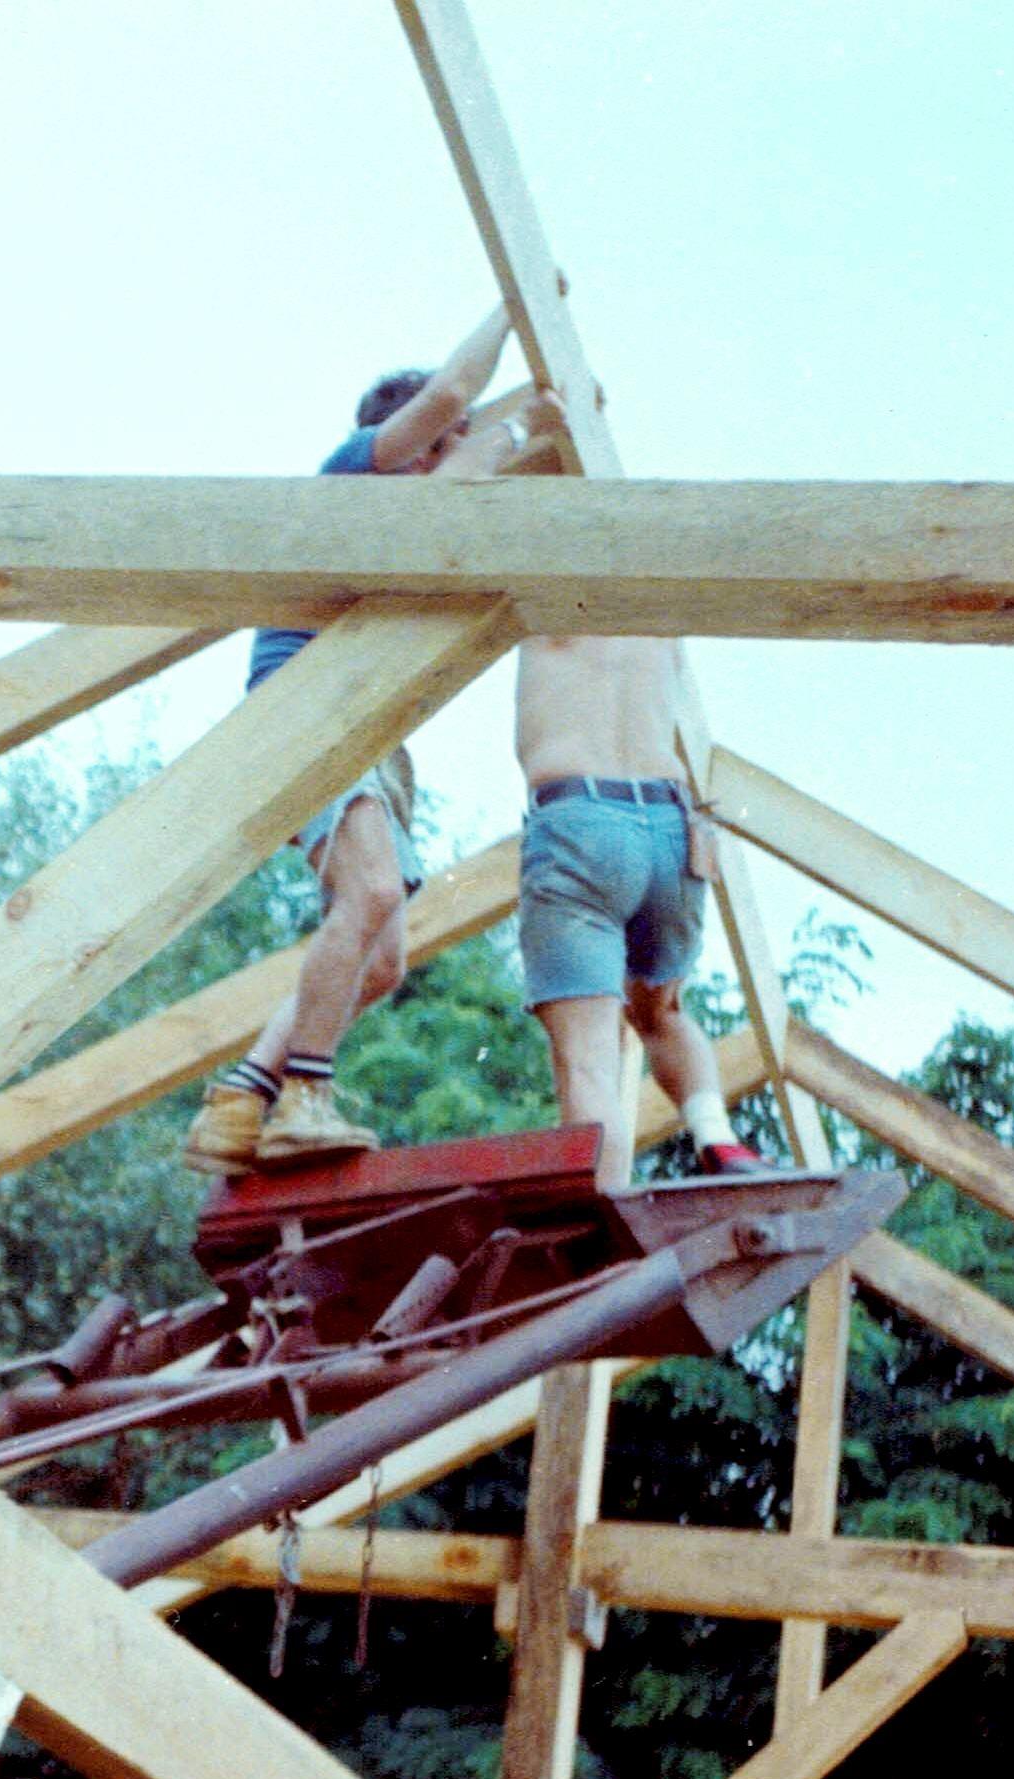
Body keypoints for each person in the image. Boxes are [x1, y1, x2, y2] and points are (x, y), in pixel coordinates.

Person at [184, 304, 526, 1173]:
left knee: (383, 958)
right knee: (369, 892)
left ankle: (242, 1097)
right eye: (434, 443)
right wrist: (515, 368)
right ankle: (304, 1096)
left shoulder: (408, 534)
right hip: (306, 707)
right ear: (399, 440)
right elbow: (456, 392)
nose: (442, 458)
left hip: (357, 724)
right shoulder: (349, 474)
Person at [503, 401, 767, 1188]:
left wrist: (533, 435)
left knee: (586, 1057)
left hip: (582, 822)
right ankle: (716, 1134)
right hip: (669, 829)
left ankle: (603, 1211)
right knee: (659, 1012)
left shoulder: (547, 596)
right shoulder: (658, 613)